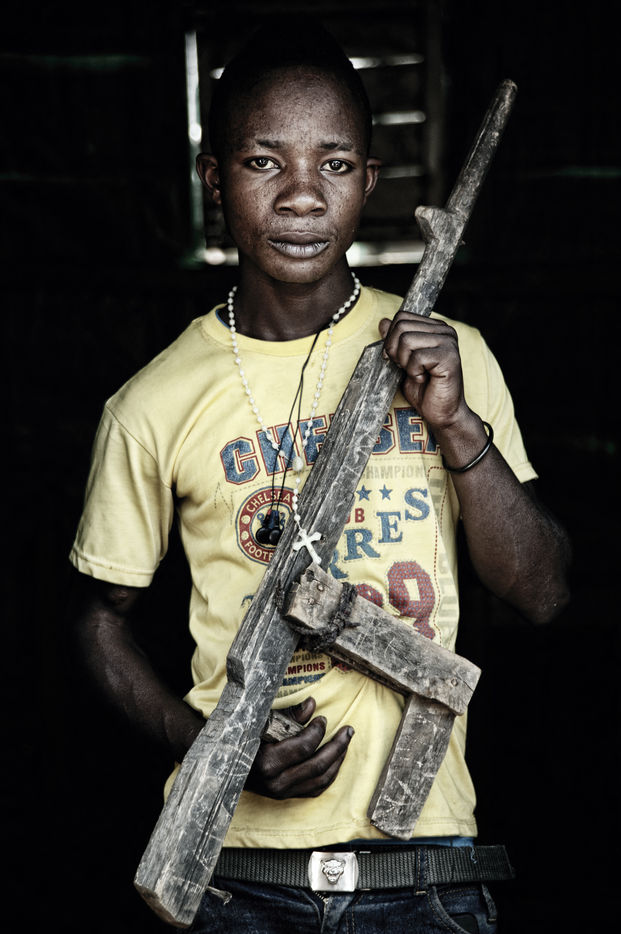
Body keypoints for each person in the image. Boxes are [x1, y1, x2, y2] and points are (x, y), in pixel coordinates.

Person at [69, 18, 570, 934]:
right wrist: (212, 742)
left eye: (333, 165)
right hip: (233, 880)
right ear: (214, 179)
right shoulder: (151, 402)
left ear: (368, 181)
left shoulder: (451, 357)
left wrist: (454, 422)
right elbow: (99, 620)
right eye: (264, 162)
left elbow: (541, 592)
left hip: (425, 872)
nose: (301, 195)